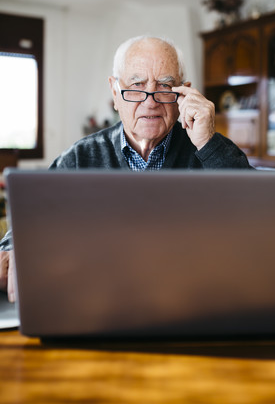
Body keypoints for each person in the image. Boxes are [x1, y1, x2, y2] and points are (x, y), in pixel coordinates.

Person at [0, 35, 253, 301]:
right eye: (136, 85)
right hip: (99, 301)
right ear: (115, 92)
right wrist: (13, 249)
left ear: (184, 93)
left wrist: (207, 142)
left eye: (165, 85)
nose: (150, 101)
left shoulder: (209, 148)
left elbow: (258, 217)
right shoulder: (80, 157)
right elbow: (26, 221)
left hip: (195, 298)